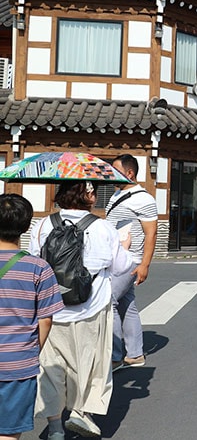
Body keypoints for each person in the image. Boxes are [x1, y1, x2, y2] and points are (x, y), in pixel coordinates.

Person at [32, 182, 133, 439]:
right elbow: (122, 267)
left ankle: (55, 428)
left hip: (51, 309)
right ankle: (81, 413)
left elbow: (34, 261)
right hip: (91, 306)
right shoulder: (101, 226)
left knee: (51, 367)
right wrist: (127, 247)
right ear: (87, 195)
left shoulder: (43, 225)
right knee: (90, 361)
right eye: (92, 192)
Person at [0, 194, 64, 440]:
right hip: (18, 364)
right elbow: (45, 320)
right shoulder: (39, 268)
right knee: (8, 431)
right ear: (26, 226)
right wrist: (31, 352)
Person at [106, 154, 158, 372]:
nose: (112, 174)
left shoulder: (143, 199)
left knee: (109, 302)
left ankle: (117, 355)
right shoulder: (117, 193)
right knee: (127, 305)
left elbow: (151, 233)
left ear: (130, 173)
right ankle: (135, 354)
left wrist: (145, 264)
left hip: (130, 260)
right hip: (116, 257)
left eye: (116, 170)